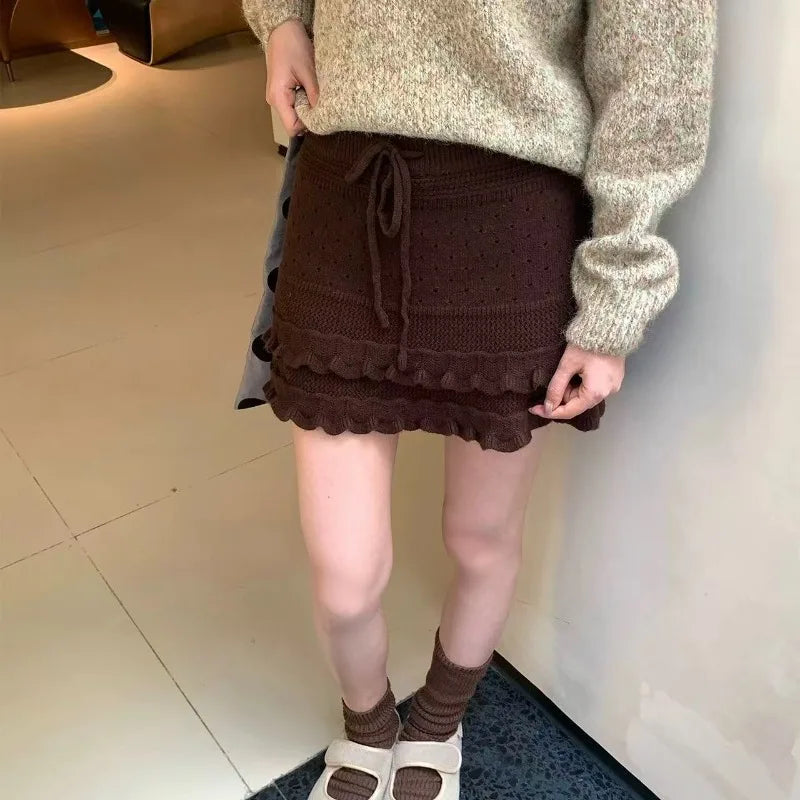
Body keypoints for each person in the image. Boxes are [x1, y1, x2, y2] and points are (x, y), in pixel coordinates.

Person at [241, 2, 716, 799]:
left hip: (511, 220)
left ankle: (436, 723)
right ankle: (367, 725)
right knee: (344, 571)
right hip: (346, 193)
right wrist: (281, 18)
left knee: (481, 537)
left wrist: (615, 301)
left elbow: (655, 80)